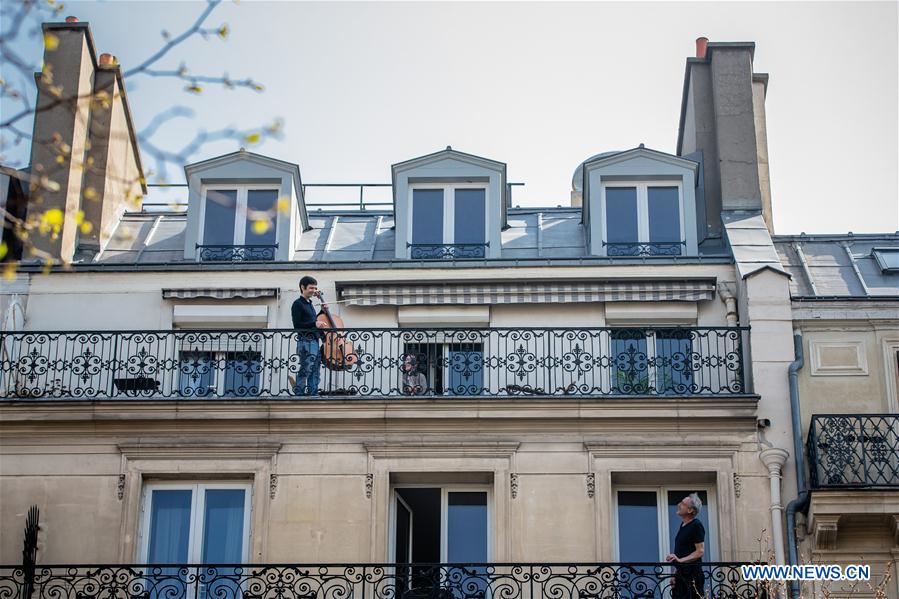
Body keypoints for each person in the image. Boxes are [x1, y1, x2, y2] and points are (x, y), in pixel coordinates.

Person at [291, 276, 327, 395]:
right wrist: (315, 323)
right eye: (311, 287)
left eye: (315, 288)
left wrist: (322, 311)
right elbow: (298, 325)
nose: (314, 290)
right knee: (306, 369)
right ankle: (299, 394)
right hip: (305, 341)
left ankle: (313, 394)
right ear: (302, 287)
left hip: (314, 341)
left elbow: (313, 321)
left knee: (315, 370)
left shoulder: (309, 304)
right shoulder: (297, 304)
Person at [666, 492, 706, 599]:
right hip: (682, 575)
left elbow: (700, 551)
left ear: (690, 510)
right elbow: (682, 552)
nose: (679, 504)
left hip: (692, 577)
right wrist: (675, 574)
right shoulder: (683, 525)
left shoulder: (696, 525)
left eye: (683, 503)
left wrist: (680, 560)